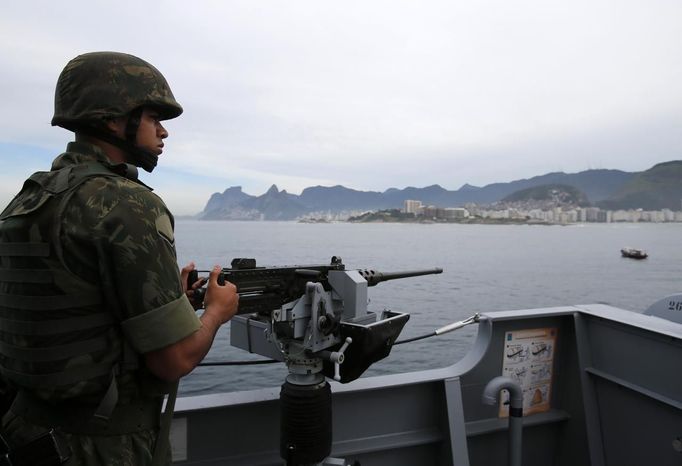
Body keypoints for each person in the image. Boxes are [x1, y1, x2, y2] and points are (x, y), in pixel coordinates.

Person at [0, 51, 239, 465]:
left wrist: (173, 301)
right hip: (102, 445)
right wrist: (216, 313)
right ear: (114, 120)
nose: (164, 132)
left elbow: (75, 304)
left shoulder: (28, 199)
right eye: (153, 118)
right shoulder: (128, 204)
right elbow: (173, 361)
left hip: (24, 434)